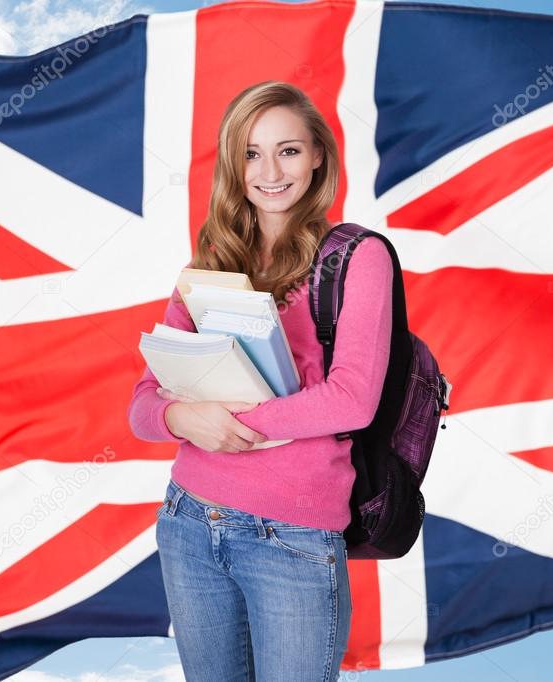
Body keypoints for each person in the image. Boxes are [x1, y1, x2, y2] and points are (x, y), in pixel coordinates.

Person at [127, 80, 393, 681]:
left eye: (289, 150)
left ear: (319, 154)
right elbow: (143, 406)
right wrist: (179, 418)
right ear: (233, 163)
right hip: (189, 523)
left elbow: (353, 400)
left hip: (292, 539)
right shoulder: (209, 267)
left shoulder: (356, 257)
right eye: (251, 153)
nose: (269, 170)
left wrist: (229, 423)